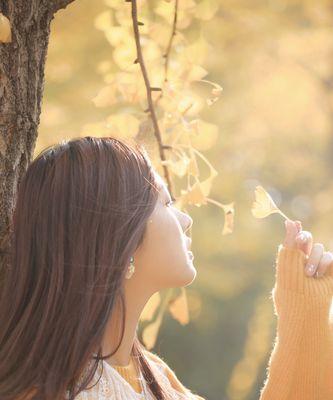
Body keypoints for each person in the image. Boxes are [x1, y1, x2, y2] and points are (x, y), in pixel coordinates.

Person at [0, 136, 332, 400]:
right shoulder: (47, 392)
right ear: (119, 236)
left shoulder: (157, 380)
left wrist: (305, 309)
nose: (186, 220)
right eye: (167, 203)